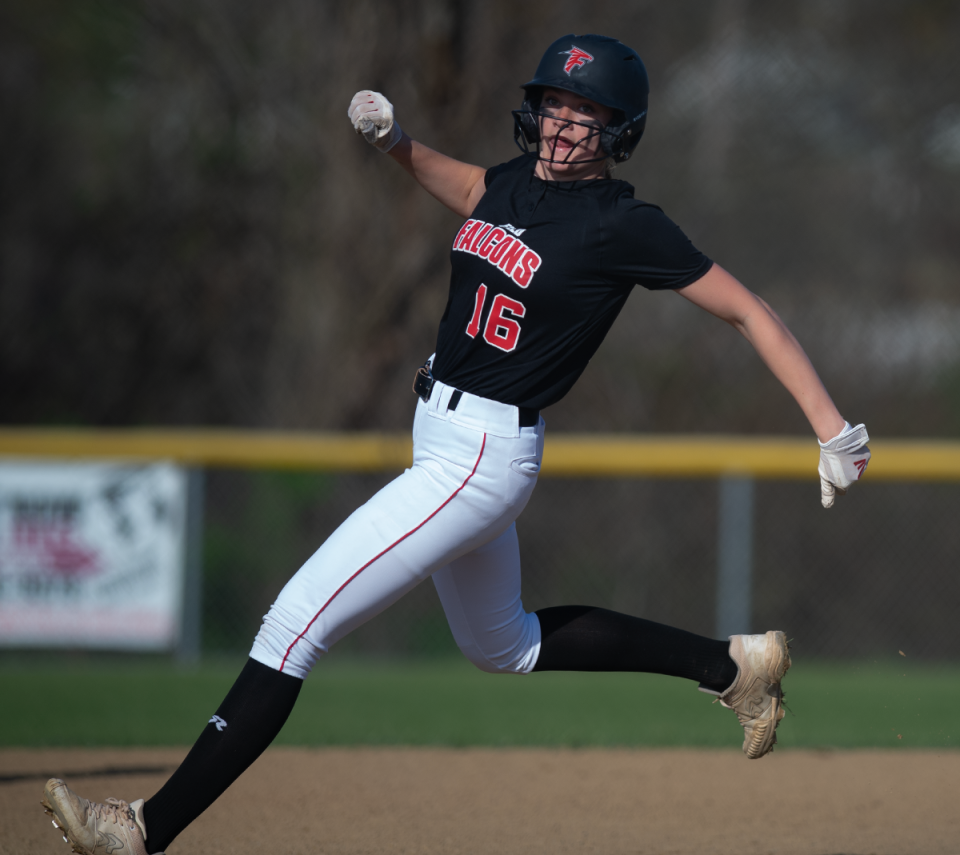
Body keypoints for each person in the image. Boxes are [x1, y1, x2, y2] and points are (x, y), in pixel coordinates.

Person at [41, 33, 871, 855]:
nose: (564, 124)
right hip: (445, 434)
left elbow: (747, 310)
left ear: (620, 131)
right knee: (503, 644)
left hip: (478, 455)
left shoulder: (624, 225)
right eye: (555, 104)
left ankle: (144, 828)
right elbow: (472, 186)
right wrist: (396, 144)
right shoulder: (515, 185)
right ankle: (733, 667)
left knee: (293, 625)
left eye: (588, 113)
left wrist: (830, 424)